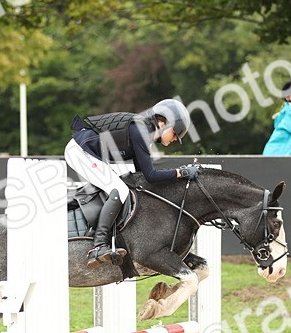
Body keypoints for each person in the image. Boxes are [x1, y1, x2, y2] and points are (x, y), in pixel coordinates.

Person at [66, 99, 199, 267]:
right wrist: (181, 173)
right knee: (120, 190)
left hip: (88, 152)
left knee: (124, 188)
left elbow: (141, 176)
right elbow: (151, 175)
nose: (174, 139)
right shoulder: (140, 131)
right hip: (79, 151)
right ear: (163, 123)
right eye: (174, 133)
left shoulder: (144, 132)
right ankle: (98, 246)